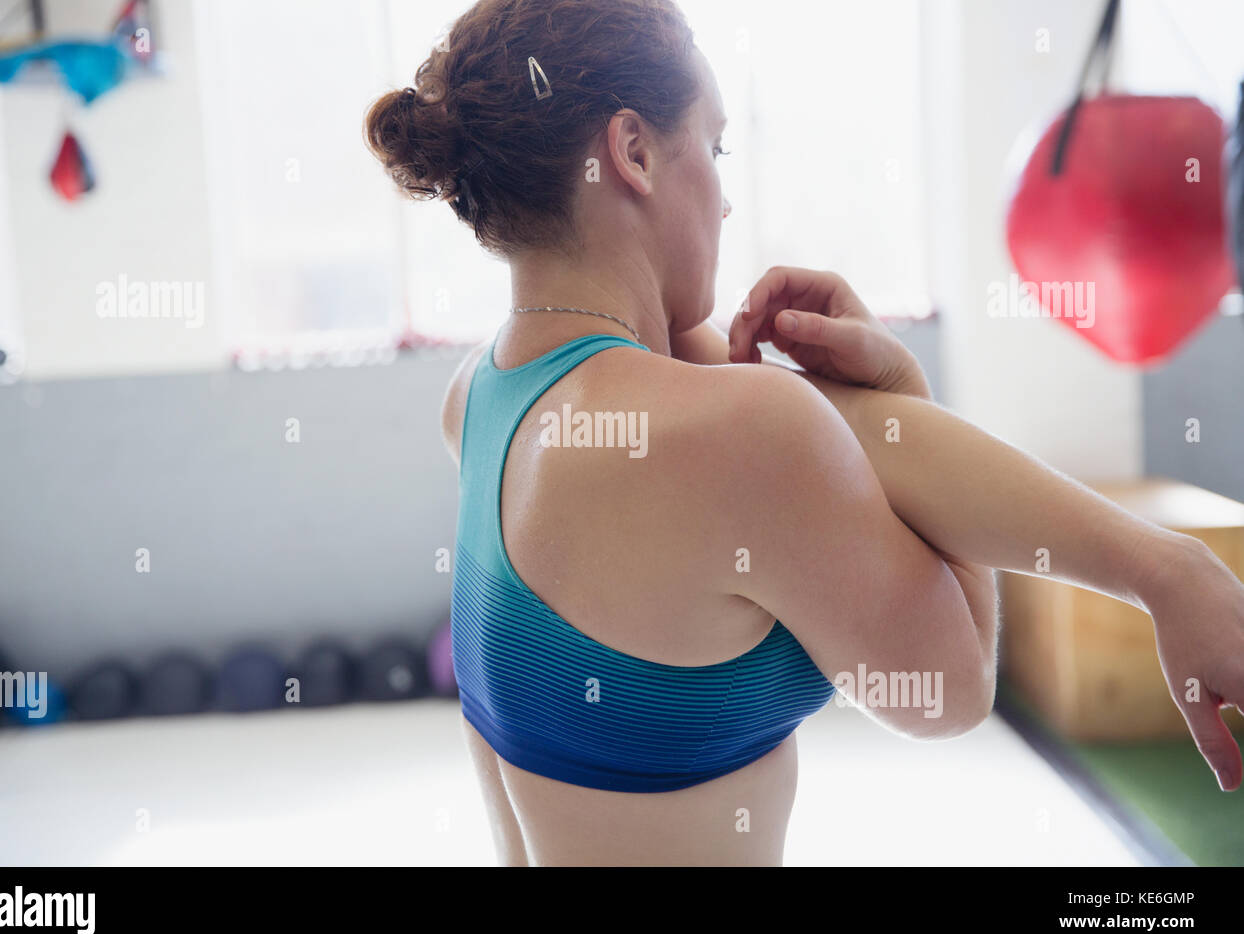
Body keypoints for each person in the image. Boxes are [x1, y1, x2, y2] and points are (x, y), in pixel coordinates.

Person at [365, 0, 1244, 866]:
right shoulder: (736, 432)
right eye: (713, 148)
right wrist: (906, 384)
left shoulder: (481, 396)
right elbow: (956, 687)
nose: (725, 201)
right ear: (631, 153)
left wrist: (1163, 570)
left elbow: (850, 441)